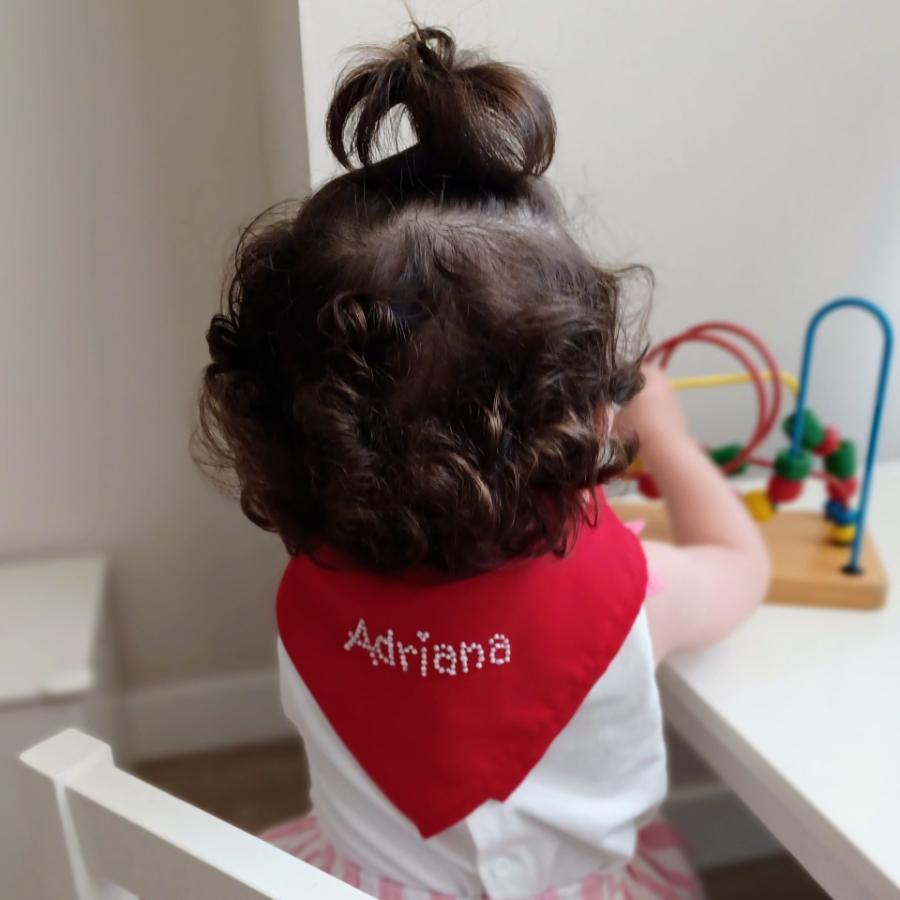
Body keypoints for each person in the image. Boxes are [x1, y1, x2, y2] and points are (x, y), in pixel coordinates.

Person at [196, 24, 769, 900]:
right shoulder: (631, 597)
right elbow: (742, 567)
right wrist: (676, 441)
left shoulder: (312, 593)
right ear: (584, 417)